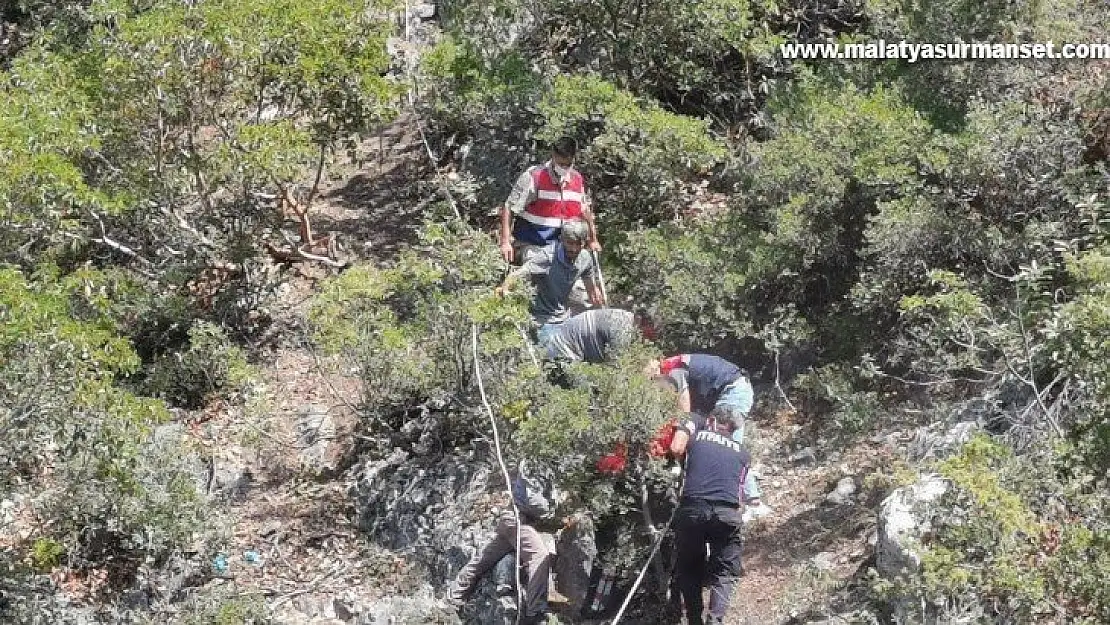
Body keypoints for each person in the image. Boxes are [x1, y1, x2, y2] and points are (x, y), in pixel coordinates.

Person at [668, 407, 760, 625]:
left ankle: (693, 619)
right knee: (725, 571)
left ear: (712, 420)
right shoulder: (743, 452)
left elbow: (676, 449)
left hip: (693, 509)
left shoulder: (697, 436)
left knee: (689, 566)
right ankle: (715, 620)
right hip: (727, 513)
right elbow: (742, 492)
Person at [448, 470, 561, 625]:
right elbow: (534, 502)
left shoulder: (543, 468)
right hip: (517, 520)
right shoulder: (535, 465)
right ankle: (535, 610)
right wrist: (552, 511)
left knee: (483, 560)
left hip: (512, 522)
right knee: (539, 555)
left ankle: (453, 597)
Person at [496, 220, 606, 342]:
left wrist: (595, 295)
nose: (574, 249)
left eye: (578, 244)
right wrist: (505, 289)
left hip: (563, 316)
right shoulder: (547, 257)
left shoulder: (585, 258)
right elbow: (518, 274)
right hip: (541, 319)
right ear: (561, 240)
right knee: (556, 351)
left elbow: (591, 287)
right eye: (570, 243)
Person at [499, 136, 601, 265]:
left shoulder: (577, 179)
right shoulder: (534, 177)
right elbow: (509, 207)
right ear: (553, 155)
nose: (564, 168)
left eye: (568, 164)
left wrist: (593, 240)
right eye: (561, 164)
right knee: (542, 269)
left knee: (580, 275)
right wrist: (505, 242)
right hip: (532, 245)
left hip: (563, 250)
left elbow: (585, 211)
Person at [649, 353, 754, 443]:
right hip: (733, 386)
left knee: (724, 440)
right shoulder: (676, 363)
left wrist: (681, 431)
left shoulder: (674, 369)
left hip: (733, 390)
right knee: (715, 437)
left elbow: (685, 407)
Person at [541, 307, 655, 363]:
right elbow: (614, 371)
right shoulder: (622, 331)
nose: (649, 339)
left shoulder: (627, 317)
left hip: (561, 340)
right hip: (563, 350)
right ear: (640, 321)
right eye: (650, 332)